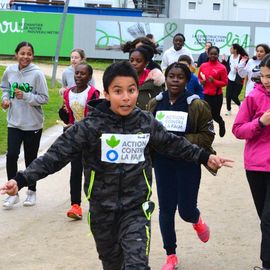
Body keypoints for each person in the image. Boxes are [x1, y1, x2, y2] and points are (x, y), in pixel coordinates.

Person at [0, 61, 232, 270]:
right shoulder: (90, 126)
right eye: (118, 91)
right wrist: (21, 180)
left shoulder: (145, 122)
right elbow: (55, 157)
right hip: (102, 212)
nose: (126, 97)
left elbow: (173, 143)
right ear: (107, 93)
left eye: (131, 90)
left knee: (137, 263)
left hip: (136, 210)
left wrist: (204, 157)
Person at [147, 62, 216, 270]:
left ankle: (196, 220)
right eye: (171, 76)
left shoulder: (196, 105)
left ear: (187, 80)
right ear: (165, 78)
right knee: (166, 209)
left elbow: (208, 136)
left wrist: (180, 140)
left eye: (180, 77)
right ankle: (171, 255)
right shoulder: (155, 104)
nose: (175, 80)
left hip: (188, 162)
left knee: (185, 210)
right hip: (162, 163)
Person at [232, 53, 270, 270]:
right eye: (263, 76)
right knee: (265, 220)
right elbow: (238, 130)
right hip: (256, 167)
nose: (266, 81)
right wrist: (260, 123)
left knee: (268, 220)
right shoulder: (253, 97)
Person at [0, 41, 49, 209]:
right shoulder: (10, 70)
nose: (25, 57)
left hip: (32, 124)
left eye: (29, 54)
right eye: (22, 53)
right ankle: (13, 194)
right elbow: (5, 88)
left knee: (30, 159)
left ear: (32, 56)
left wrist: (27, 96)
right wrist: (5, 100)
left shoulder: (37, 74)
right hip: (14, 121)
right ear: (16, 54)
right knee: (11, 156)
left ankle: (32, 191)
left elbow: (44, 98)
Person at [61, 63, 100, 220]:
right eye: (77, 73)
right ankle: (75, 205)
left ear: (89, 77)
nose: (79, 76)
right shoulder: (68, 93)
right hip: (75, 138)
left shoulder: (93, 93)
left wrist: (78, 125)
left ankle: (96, 204)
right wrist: (64, 117)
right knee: (75, 171)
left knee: (92, 172)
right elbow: (68, 115)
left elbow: (95, 117)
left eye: (83, 74)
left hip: (91, 139)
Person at [198, 46, 228, 137]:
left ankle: (221, 123)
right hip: (206, 95)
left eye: (215, 54)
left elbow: (225, 82)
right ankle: (209, 134)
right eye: (211, 54)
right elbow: (199, 77)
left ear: (218, 54)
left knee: (215, 116)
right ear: (208, 54)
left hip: (216, 96)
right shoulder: (203, 65)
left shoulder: (221, 67)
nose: (213, 55)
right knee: (206, 116)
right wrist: (201, 81)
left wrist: (214, 81)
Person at [129, 45, 165, 109]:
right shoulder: (123, 78)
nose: (134, 63)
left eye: (138, 61)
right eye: (131, 60)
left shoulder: (154, 79)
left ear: (147, 63)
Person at [221, 43, 249, 115]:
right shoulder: (230, 57)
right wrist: (223, 61)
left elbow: (246, 68)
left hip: (238, 79)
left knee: (234, 96)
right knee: (228, 95)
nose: (230, 49)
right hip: (230, 78)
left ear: (235, 49)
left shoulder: (241, 57)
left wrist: (240, 68)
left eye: (231, 48)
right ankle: (228, 110)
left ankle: (240, 106)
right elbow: (227, 67)